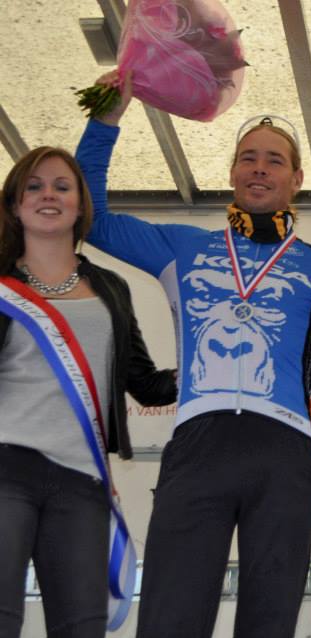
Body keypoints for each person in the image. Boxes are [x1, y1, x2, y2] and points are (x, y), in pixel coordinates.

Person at [74, 71, 311, 638]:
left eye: (274, 160)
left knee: (270, 619)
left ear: (296, 179)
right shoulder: (182, 246)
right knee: (171, 616)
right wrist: (106, 118)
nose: (259, 168)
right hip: (199, 443)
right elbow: (90, 216)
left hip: (284, 450)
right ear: (233, 172)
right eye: (248, 158)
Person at [0, 147, 176, 637]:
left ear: (81, 205)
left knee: (82, 625)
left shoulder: (111, 287)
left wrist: (205, 372)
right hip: (6, 467)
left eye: (62, 186)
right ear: (14, 204)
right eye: (34, 187)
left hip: (83, 479)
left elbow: (145, 384)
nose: (49, 195)